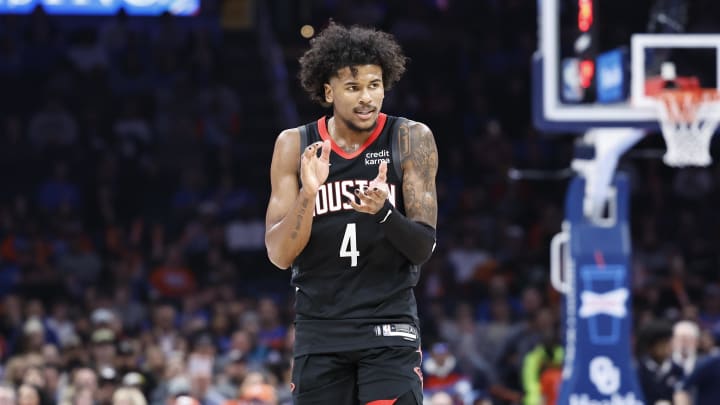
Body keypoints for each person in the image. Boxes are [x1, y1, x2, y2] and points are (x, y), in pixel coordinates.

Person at [264, 21, 438, 405]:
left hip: (389, 328)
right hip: (320, 331)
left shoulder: (411, 139)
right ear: (328, 91)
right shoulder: (294, 146)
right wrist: (309, 194)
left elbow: (423, 246)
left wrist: (385, 213)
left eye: (374, 85)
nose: (367, 98)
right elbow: (278, 255)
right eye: (353, 87)